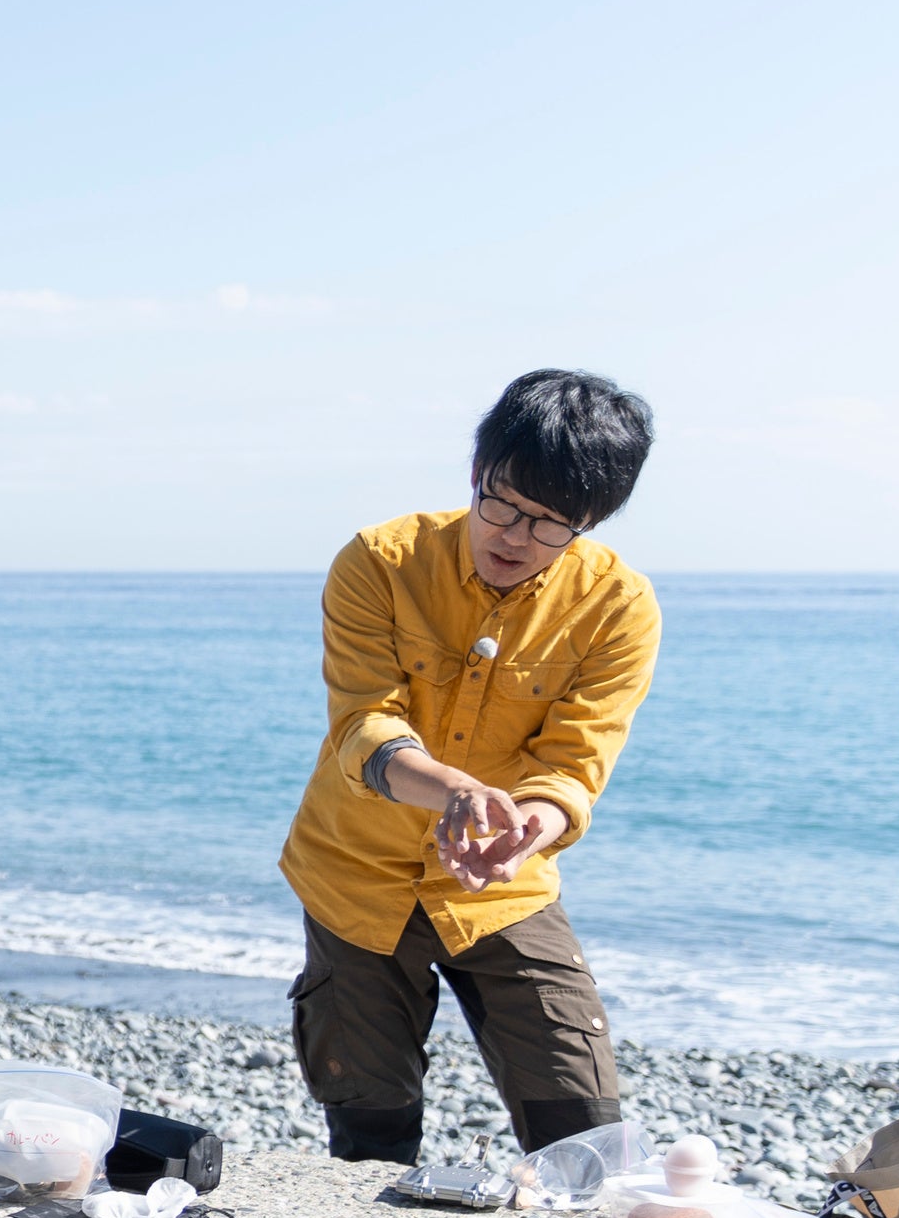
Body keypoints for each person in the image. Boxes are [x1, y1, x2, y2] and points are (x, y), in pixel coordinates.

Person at [278, 369, 662, 1164]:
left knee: (585, 1130)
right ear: (478, 475)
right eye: (503, 503)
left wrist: (528, 827)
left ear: (590, 522)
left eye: (552, 524)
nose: (515, 537)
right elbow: (364, 724)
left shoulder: (617, 607)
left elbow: (574, 765)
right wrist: (453, 789)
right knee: (371, 1130)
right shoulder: (380, 561)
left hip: (503, 885)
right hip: (355, 872)